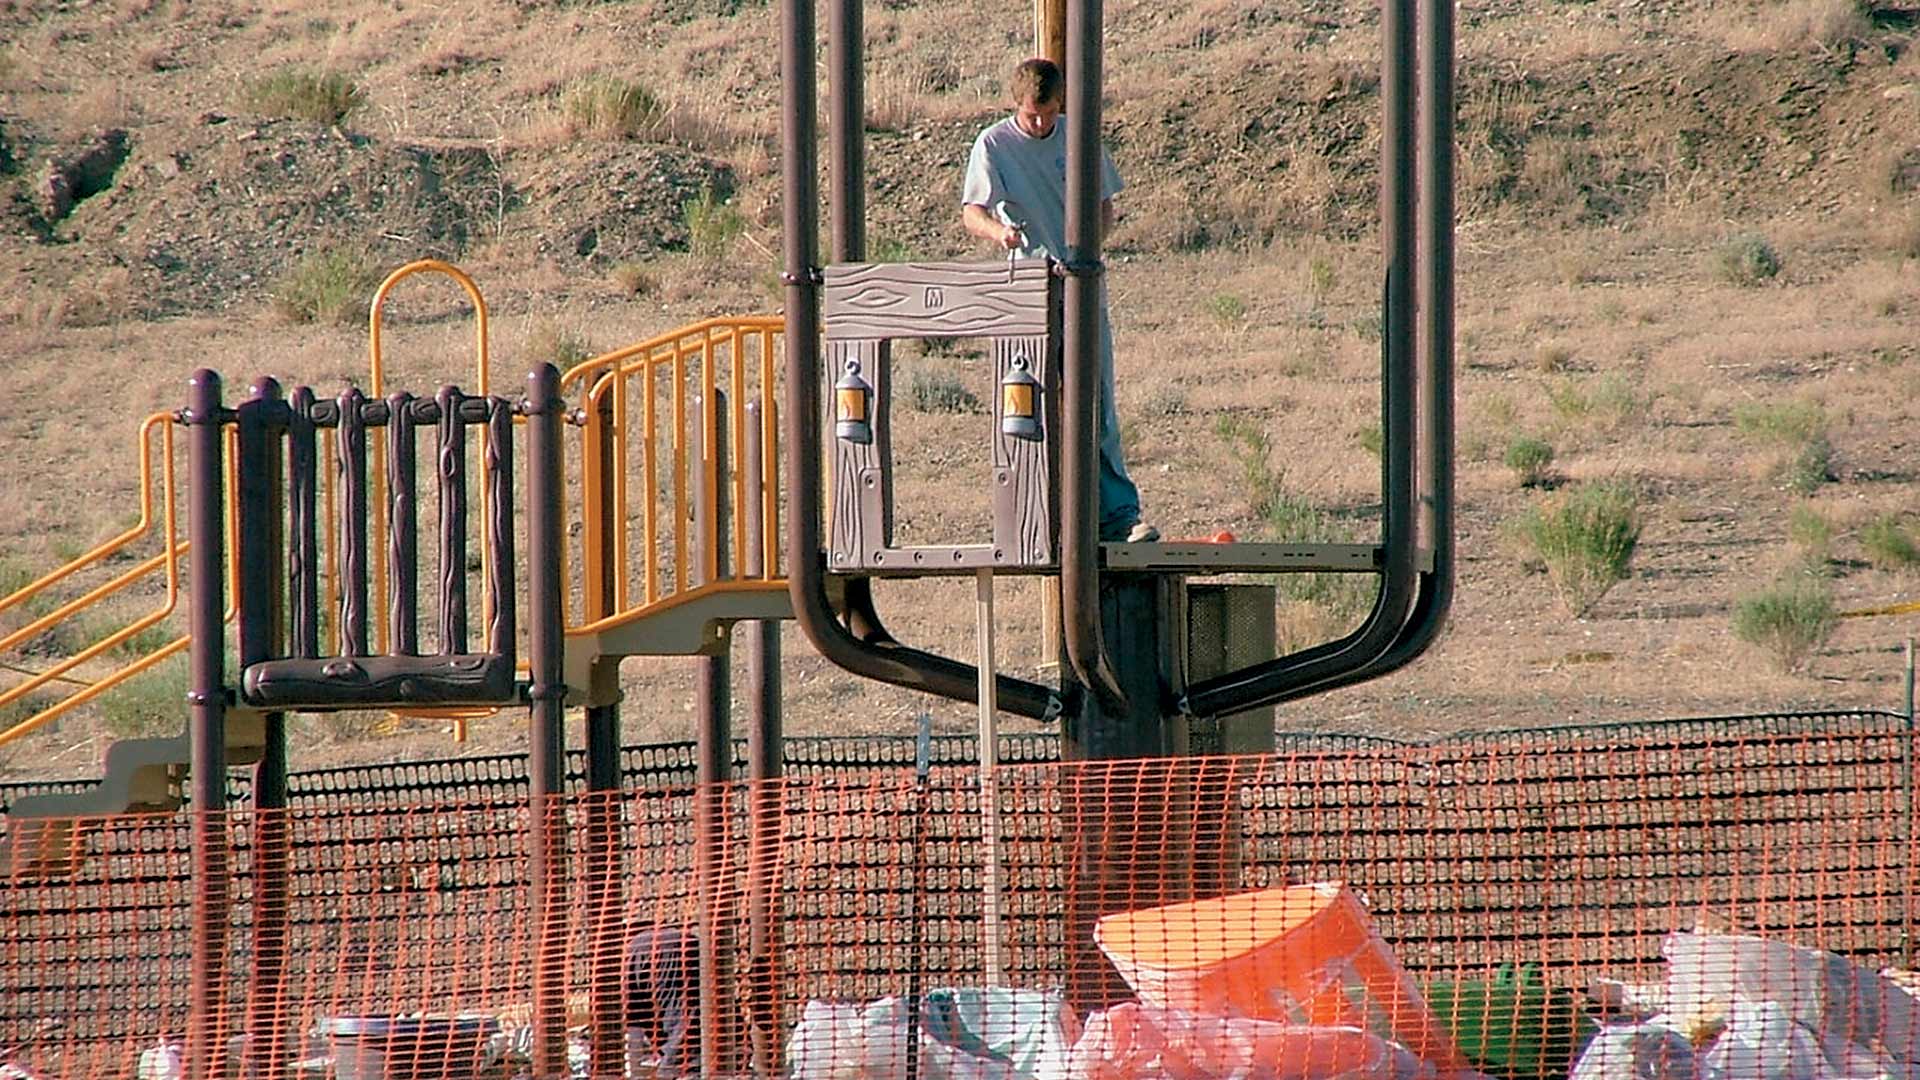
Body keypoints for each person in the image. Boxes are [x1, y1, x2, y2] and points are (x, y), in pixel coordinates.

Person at [960, 57, 1158, 544]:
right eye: (1032, 115)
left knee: (1095, 401)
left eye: (1049, 112)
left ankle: (1117, 514)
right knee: (1030, 403)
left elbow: (1105, 207)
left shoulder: (1079, 138)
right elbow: (972, 212)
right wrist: (1000, 233)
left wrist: (1090, 247)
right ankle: (1039, 515)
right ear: (1016, 106)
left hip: (1080, 284)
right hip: (1028, 290)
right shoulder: (994, 144)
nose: (1042, 123)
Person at [623, 924, 698, 1077]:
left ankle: (639, 1071)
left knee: (637, 1013)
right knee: (684, 1011)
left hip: (636, 949)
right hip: (680, 946)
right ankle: (675, 1067)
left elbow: (637, 1017)